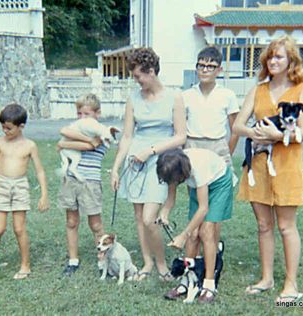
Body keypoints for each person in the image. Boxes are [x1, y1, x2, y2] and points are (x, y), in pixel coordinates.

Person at [232, 35, 303, 303]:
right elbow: (237, 126)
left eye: (279, 56)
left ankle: (291, 284)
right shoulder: (258, 90)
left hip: (288, 165)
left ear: (291, 60)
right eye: (270, 56)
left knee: (287, 227)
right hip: (259, 165)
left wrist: (275, 137)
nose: (273, 61)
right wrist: (258, 133)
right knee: (263, 225)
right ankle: (266, 278)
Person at [111, 48, 186, 281]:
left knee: (149, 218)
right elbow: (126, 136)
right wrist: (115, 168)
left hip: (161, 161)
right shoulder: (133, 98)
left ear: (151, 71)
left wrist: (151, 151)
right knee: (138, 216)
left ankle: (162, 264)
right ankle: (147, 263)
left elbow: (180, 136)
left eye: (138, 76)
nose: (136, 81)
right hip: (136, 160)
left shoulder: (175, 97)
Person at [0, 103, 49, 280]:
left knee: (19, 228)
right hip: (2, 185)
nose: (5, 131)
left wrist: (44, 194)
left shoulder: (30, 145)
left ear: (21, 126)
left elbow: (40, 170)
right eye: (2, 127)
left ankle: (25, 265)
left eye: (8, 128)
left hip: (20, 186)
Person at [156, 148, 233, 303]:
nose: (173, 183)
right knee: (193, 233)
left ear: (182, 173)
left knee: (206, 230)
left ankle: (209, 283)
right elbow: (170, 199)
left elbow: (203, 208)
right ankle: (187, 280)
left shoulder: (199, 168)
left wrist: (182, 235)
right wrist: (164, 213)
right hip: (200, 187)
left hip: (219, 183)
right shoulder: (171, 166)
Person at [57, 93, 107, 276]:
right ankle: (73, 260)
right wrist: (84, 140)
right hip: (71, 180)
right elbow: (63, 135)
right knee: (71, 221)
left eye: (86, 114)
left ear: (97, 113)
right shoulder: (81, 132)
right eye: (79, 114)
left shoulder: (103, 132)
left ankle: (103, 259)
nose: (82, 119)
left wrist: (66, 144)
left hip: (90, 183)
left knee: (95, 224)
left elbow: (90, 147)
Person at [182, 46, 239, 184]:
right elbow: (180, 128)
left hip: (217, 145)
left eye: (210, 66)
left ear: (219, 70)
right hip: (193, 144)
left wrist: (227, 152)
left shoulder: (228, 95)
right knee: (196, 188)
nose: (205, 70)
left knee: (219, 187)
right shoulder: (186, 95)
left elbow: (235, 130)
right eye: (201, 65)